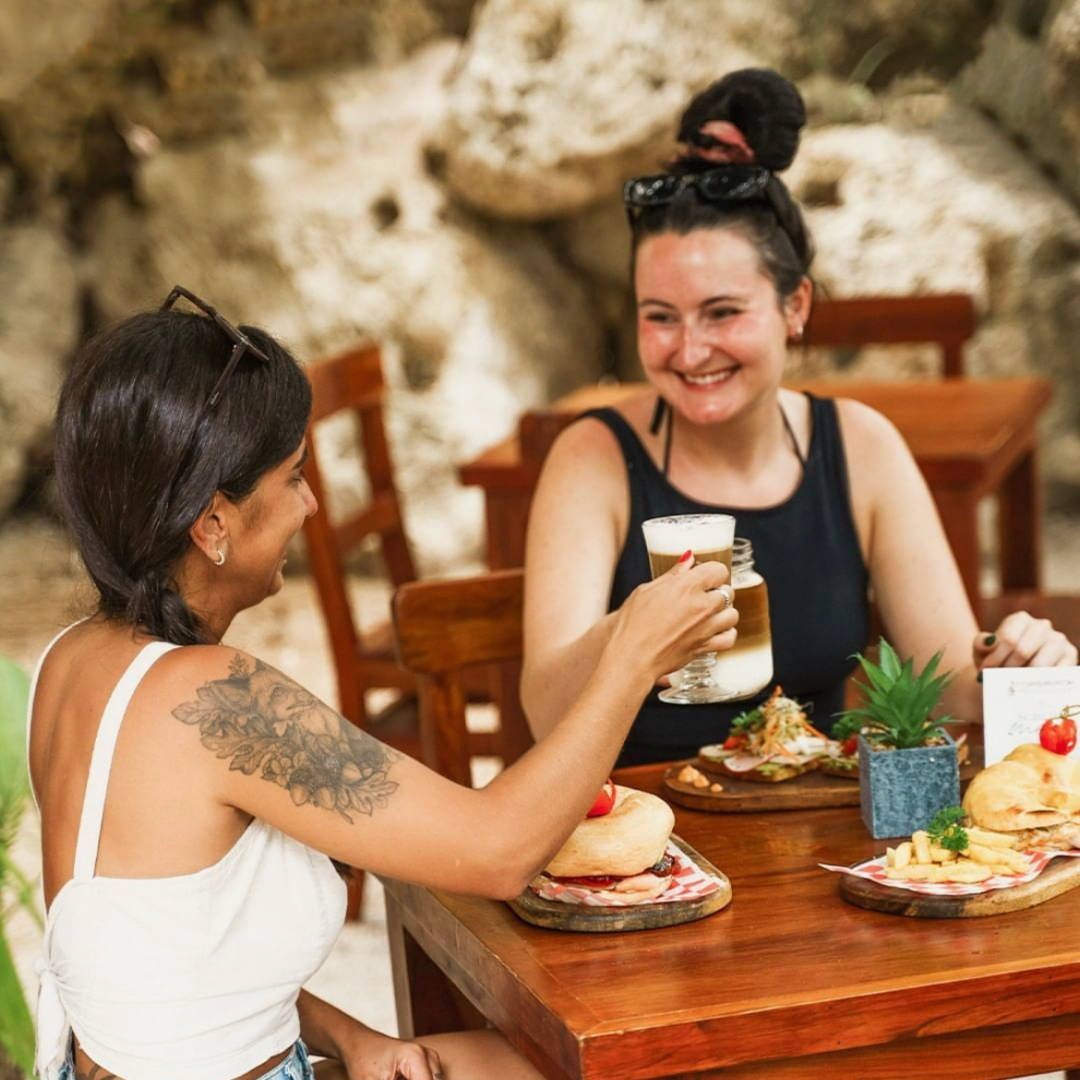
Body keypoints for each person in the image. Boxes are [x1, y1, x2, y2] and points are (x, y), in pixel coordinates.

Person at [30, 288, 738, 1080]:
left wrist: (346, 1037)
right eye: (294, 477)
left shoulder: (74, 659)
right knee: (632, 1060)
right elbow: (499, 849)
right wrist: (633, 660)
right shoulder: (212, 701)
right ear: (213, 524)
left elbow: (159, 967)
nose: (310, 503)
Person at [521, 68, 1077, 766]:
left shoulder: (861, 446)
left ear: (796, 307)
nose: (690, 350)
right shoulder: (593, 458)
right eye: (660, 318)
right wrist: (634, 633)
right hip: (641, 838)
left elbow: (950, 695)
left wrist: (1018, 664)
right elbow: (545, 713)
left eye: (723, 312)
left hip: (811, 825)